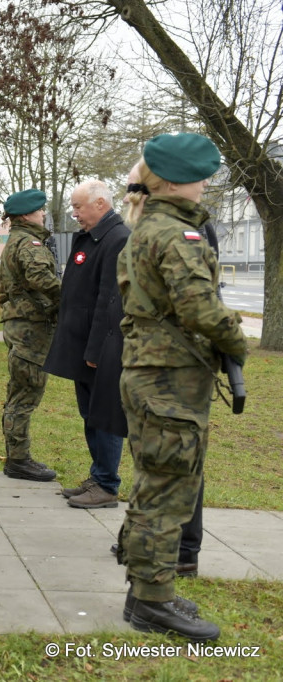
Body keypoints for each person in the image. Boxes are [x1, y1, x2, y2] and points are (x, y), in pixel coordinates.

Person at [116, 133, 247, 642]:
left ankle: (147, 592)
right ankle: (152, 603)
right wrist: (236, 338)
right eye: (201, 175)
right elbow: (199, 308)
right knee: (168, 492)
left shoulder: (149, 227)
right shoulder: (176, 235)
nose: (207, 182)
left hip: (152, 375)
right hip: (168, 381)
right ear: (177, 181)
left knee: (156, 484)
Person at [43, 180, 130, 508]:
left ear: (101, 204)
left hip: (103, 349)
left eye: (79, 206)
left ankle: (107, 485)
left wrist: (96, 352)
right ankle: (98, 475)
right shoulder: (95, 237)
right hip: (84, 346)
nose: (74, 213)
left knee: (105, 415)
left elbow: (110, 301)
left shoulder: (118, 240)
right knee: (89, 414)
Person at [0, 189, 61, 482]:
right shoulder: (30, 242)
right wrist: (70, 295)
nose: (43, 214)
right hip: (30, 329)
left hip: (19, 325)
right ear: (26, 215)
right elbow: (40, 278)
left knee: (18, 393)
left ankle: (16, 457)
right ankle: (19, 460)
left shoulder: (15, 240)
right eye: (39, 210)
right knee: (24, 395)